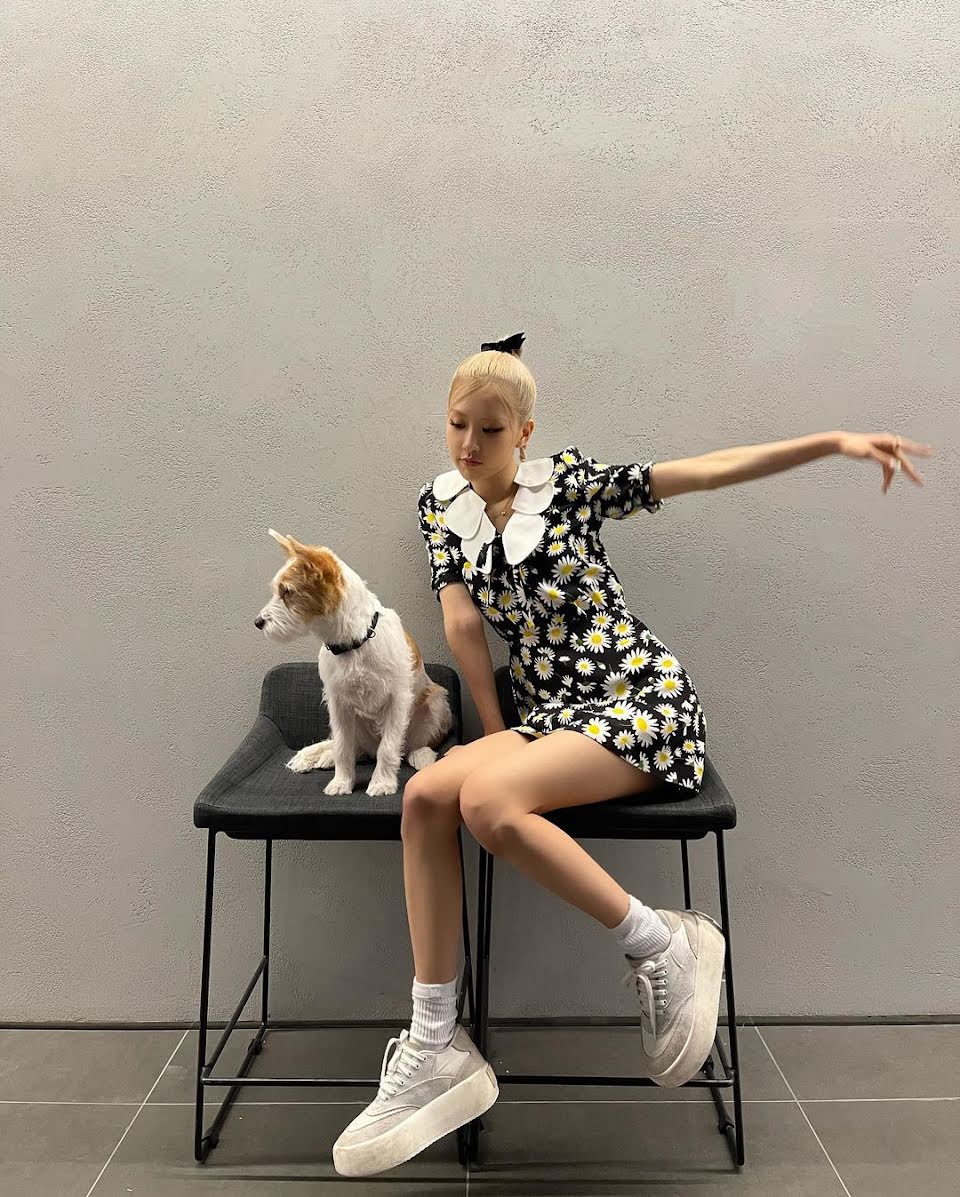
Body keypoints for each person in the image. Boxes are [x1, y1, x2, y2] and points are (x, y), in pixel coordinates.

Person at [332, 331, 933, 1178]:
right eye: (457, 424)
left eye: (491, 430)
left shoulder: (571, 486)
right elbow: (462, 624)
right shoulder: (440, 506)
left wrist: (831, 442)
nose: (469, 444)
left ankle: (662, 943)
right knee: (427, 798)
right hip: (549, 716)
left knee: (486, 804)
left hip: (639, 700)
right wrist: (493, 729)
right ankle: (436, 1043)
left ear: (525, 432)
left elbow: (704, 472)